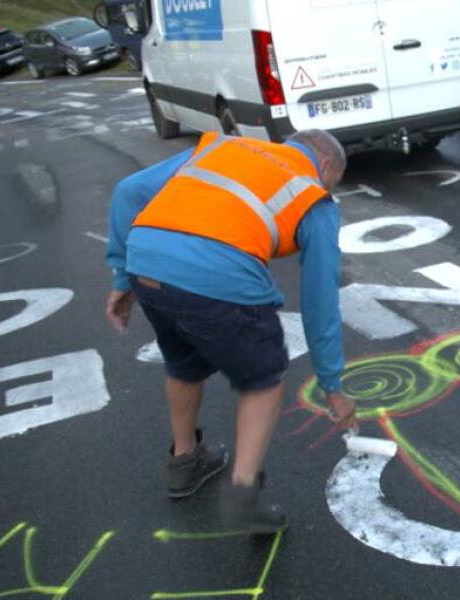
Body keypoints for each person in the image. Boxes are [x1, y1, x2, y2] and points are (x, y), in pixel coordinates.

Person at [104, 129, 357, 534]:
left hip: (146, 264)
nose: (329, 189)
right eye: (333, 182)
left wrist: (121, 277)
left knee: (183, 364)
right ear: (325, 166)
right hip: (220, 275)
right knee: (263, 378)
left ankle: (185, 462)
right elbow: (320, 299)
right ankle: (243, 495)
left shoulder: (224, 146)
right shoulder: (313, 195)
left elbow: (128, 191)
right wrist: (332, 386)